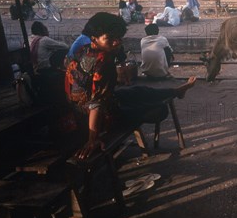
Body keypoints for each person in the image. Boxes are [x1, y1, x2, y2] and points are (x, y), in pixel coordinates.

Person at [65, 12, 196, 159]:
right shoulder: (103, 62)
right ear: (94, 38)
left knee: (137, 90)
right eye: (109, 38)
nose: (116, 42)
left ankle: (176, 91)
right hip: (99, 119)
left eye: (118, 38)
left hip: (79, 113)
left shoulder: (81, 51)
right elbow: (96, 104)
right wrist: (92, 140)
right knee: (159, 109)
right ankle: (175, 92)